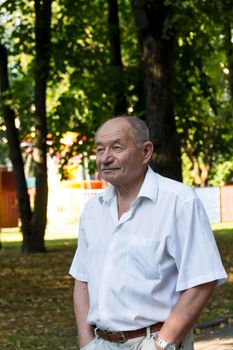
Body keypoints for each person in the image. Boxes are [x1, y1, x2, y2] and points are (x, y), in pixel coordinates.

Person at [69, 116, 227, 350]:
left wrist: (162, 343)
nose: (105, 158)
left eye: (116, 147)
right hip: (100, 343)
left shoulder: (179, 202)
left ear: (145, 152)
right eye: (100, 149)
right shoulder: (93, 210)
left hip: (154, 341)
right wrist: (87, 343)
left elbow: (203, 279)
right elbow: (82, 280)